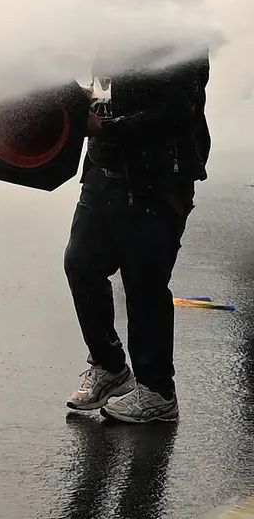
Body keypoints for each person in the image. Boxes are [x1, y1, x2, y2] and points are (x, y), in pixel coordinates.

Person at [63, 44, 210, 423]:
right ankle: (110, 367)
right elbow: (107, 93)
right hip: (103, 171)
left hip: (157, 178)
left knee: (144, 282)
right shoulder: (114, 22)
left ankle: (158, 392)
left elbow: (177, 111)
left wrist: (108, 127)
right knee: (81, 264)